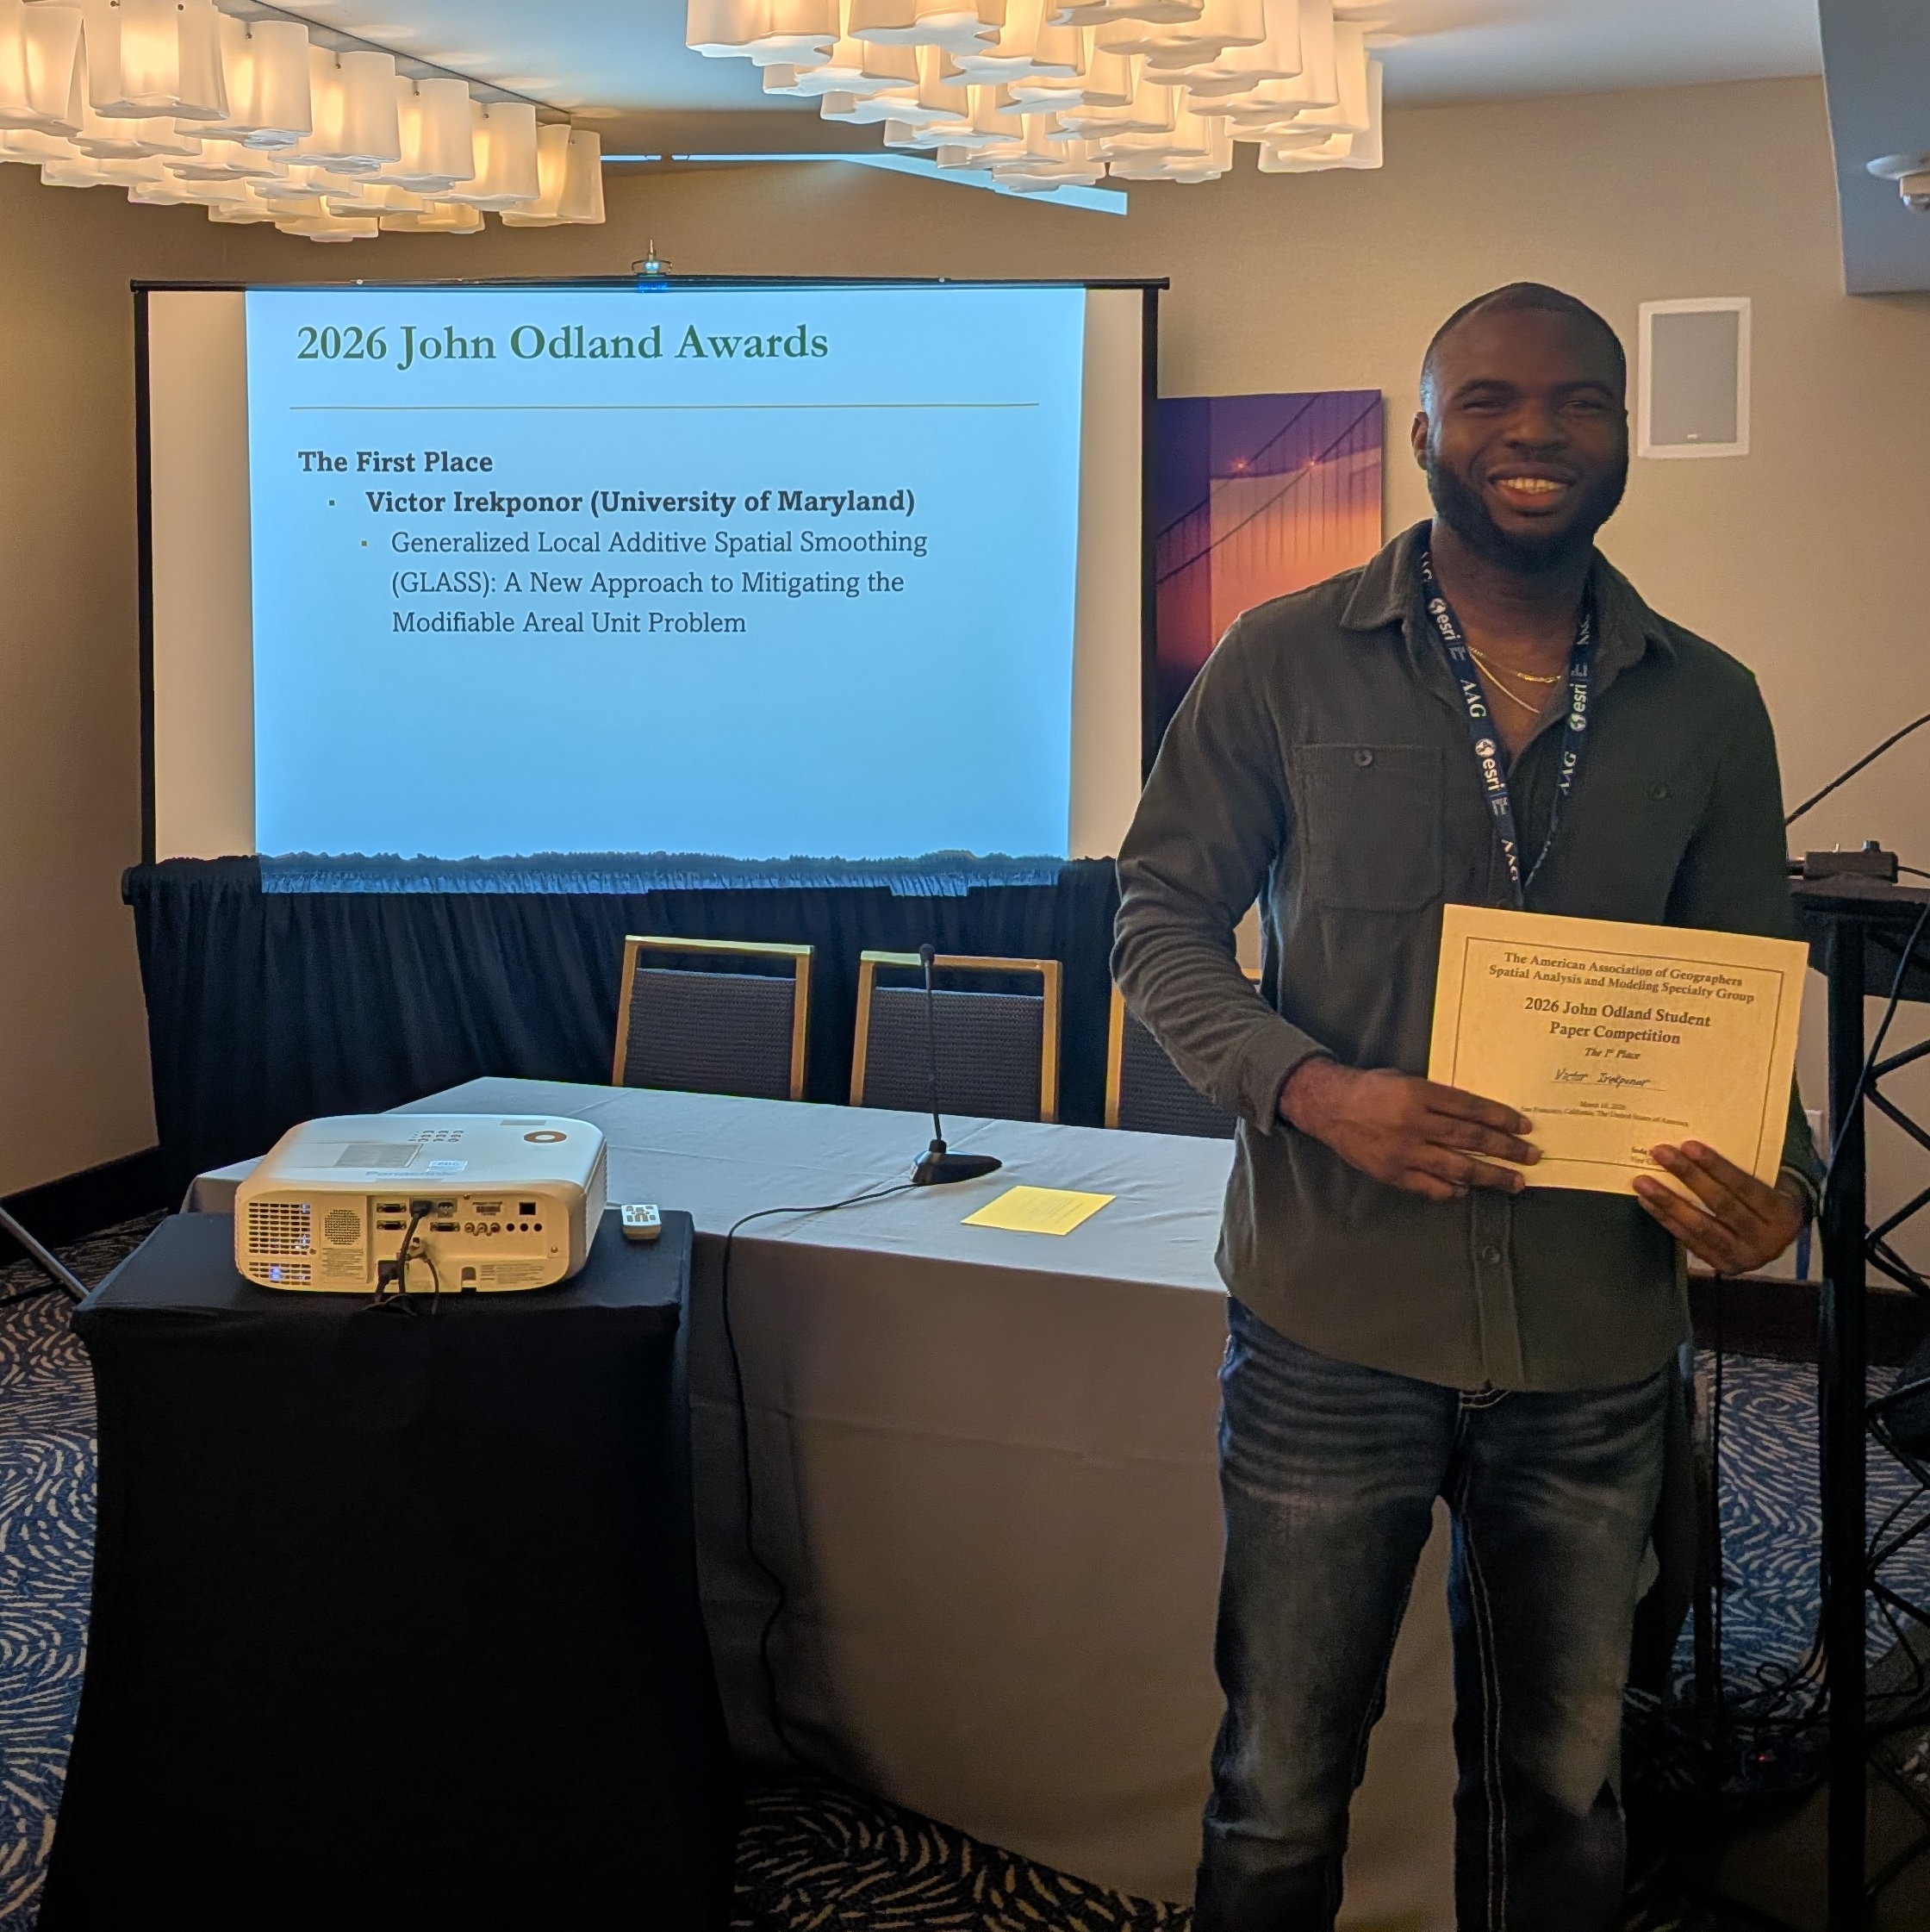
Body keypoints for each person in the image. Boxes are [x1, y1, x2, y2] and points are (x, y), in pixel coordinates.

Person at [1111, 283, 1819, 1932]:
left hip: (1592, 1345)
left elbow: (1747, 986)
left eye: (1577, 400)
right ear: (1423, 432)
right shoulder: (1284, 658)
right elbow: (1155, 918)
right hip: (1327, 1322)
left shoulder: (1709, 705)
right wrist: (1312, 1085)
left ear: (1622, 434)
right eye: (1489, 401)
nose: (1535, 433)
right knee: (1280, 1788)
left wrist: (1773, 1180)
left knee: (1563, 1796)